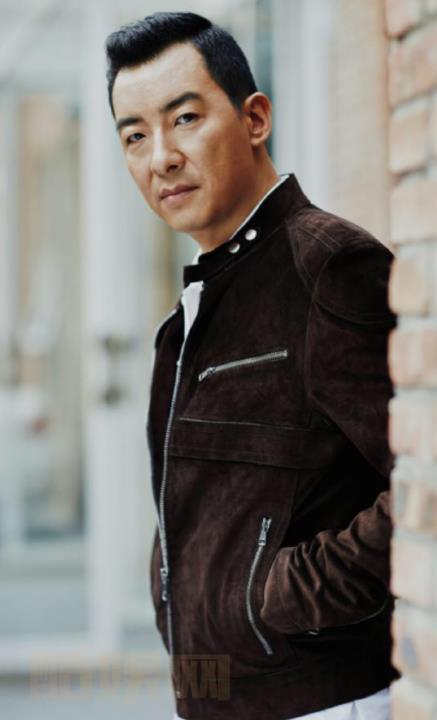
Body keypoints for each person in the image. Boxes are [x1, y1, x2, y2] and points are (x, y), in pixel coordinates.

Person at [105, 11, 400, 720]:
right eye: (135, 135)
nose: (161, 157)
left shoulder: (327, 267)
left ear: (255, 118)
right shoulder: (198, 306)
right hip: (217, 697)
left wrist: (280, 596)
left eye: (184, 118)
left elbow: (423, 477)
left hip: (323, 699)